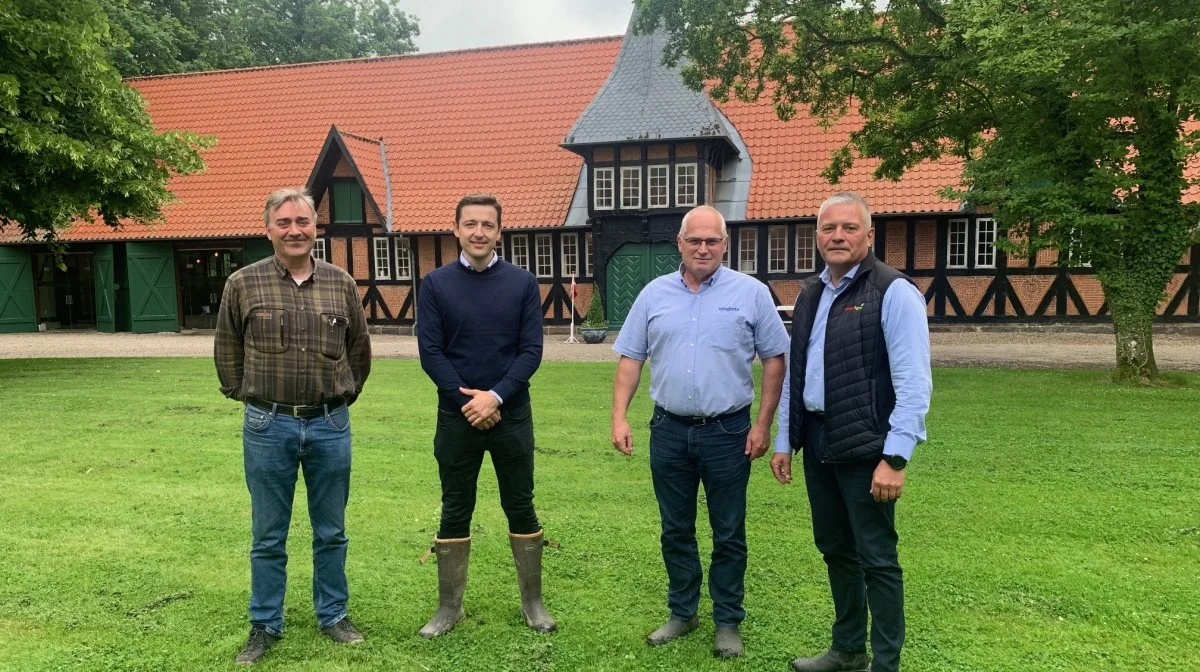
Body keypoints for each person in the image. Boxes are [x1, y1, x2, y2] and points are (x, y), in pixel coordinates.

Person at [610, 205, 789, 658]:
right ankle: (683, 612)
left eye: (712, 240)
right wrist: (619, 416)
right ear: (680, 244)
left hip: (728, 432)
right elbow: (631, 358)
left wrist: (763, 424)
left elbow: (774, 360)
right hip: (668, 430)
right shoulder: (653, 295)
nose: (703, 248)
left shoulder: (750, 293)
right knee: (676, 529)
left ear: (725, 244)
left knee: (729, 531)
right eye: (695, 240)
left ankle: (727, 620)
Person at [772, 192, 931, 672]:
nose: (837, 236)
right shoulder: (810, 294)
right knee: (836, 550)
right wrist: (786, 438)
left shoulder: (893, 292)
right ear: (817, 235)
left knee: (877, 559)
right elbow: (796, 372)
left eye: (848, 228)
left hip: (868, 449)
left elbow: (914, 384)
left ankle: (885, 664)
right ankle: (847, 651)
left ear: (869, 235)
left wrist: (895, 457)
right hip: (819, 443)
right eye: (827, 228)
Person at [215, 187, 372, 665]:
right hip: (267, 425)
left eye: (302, 221)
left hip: (329, 424)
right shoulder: (242, 283)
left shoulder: (340, 283)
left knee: (331, 531)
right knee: (268, 533)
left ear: (315, 227)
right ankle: (264, 623)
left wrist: (341, 395)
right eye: (283, 222)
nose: (294, 230)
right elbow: (227, 349)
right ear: (269, 230)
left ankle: (334, 615)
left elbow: (359, 351)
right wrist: (248, 395)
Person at [415, 192, 555, 638]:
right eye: (470, 224)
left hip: (511, 416)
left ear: (500, 230)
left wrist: (494, 398)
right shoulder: (435, 284)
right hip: (456, 418)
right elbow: (431, 352)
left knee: (521, 504)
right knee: (456, 505)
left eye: (487, 225)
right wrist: (468, 403)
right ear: (455, 228)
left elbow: (531, 351)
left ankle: (533, 603)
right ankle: (448, 608)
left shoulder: (522, 283)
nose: (478, 232)